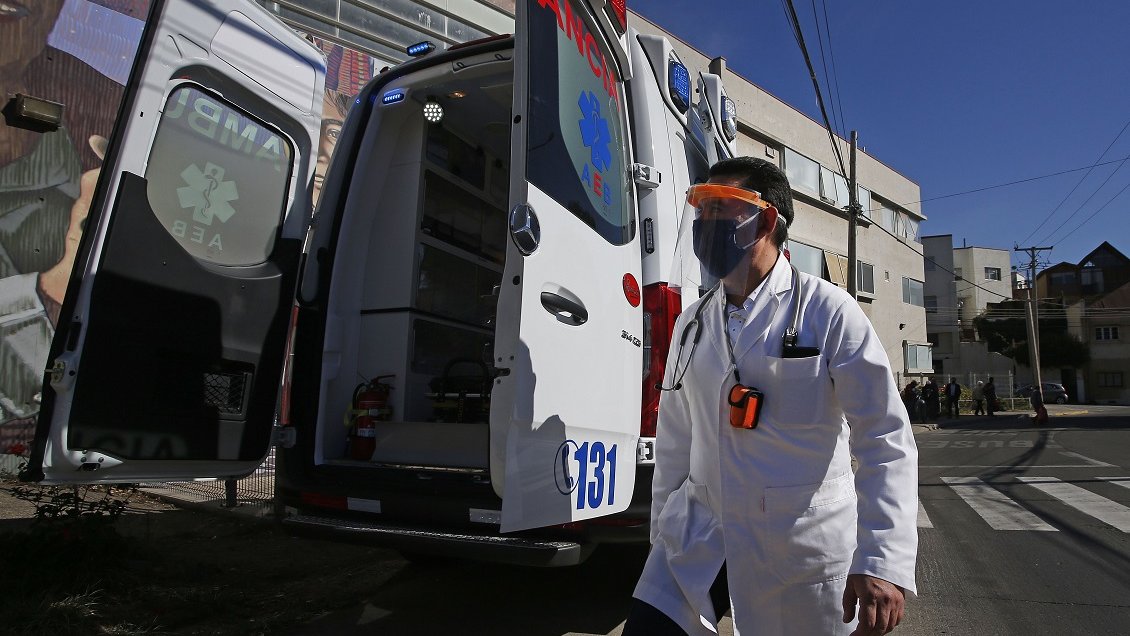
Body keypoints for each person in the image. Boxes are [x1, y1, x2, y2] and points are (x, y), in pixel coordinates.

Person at [625, 157, 918, 636]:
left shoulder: (829, 312)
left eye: (721, 209)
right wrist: (661, 535)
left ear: (765, 220)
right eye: (702, 211)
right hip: (701, 534)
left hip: (798, 545)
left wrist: (882, 559)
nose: (705, 225)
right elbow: (675, 438)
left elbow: (885, 437)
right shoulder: (692, 322)